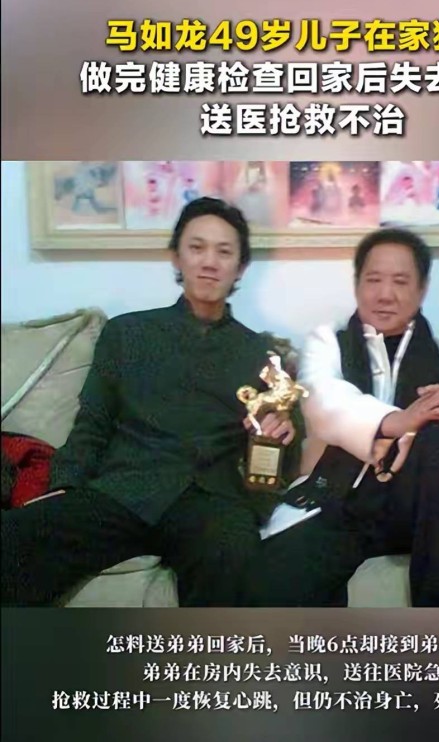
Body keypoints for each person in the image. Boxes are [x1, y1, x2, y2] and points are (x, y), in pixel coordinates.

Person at [1, 197, 297, 607]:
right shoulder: (127, 334)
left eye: (224, 252)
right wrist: (63, 486)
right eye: (197, 248)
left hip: (209, 499)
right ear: (177, 257)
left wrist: (280, 439)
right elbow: (92, 424)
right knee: (14, 537)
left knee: (232, 551)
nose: (209, 262)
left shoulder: (261, 356)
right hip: (123, 490)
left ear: (241, 267)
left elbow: (275, 461)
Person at [244, 227, 439, 608]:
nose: (385, 294)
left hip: (422, 505)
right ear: (357, 285)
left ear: (422, 289)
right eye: (373, 280)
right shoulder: (328, 344)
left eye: (400, 281)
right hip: (339, 500)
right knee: (275, 580)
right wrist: (402, 420)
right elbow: (323, 399)